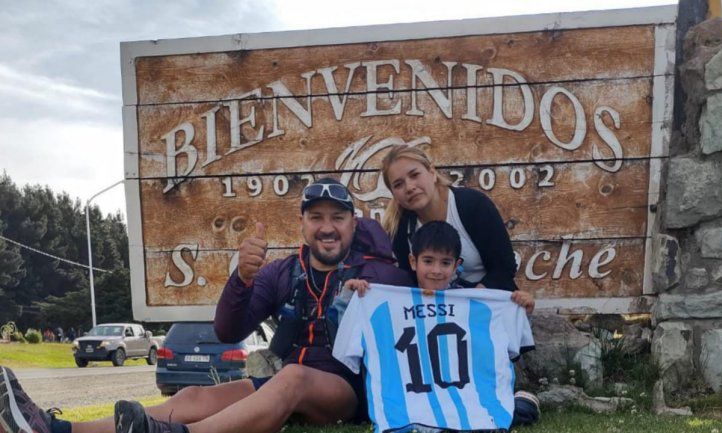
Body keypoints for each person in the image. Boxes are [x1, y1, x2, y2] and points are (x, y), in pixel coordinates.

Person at [0, 178, 412, 433]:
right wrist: (242, 279)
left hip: (348, 395)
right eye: (317, 216)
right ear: (302, 224)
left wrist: (370, 296)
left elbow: (428, 316)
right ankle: (58, 428)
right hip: (287, 387)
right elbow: (227, 332)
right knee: (197, 394)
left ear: (353, 224)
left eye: (338, 217)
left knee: (294, 377)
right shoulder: (283, 271)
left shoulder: (382, 274)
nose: (327, 227)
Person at [337, 220, 540, 430]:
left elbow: (507, 344)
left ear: (456, 264)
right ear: (413, 261)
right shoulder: (386, 300)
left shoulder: (477, 302)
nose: (436, 270)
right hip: (411, 400)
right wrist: (350, 298)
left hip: (465, 396)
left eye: (445, 263)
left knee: (501, 410)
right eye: (428, 261)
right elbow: (350, 331)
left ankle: (515, 403)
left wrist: (522, 312)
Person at [380, 144, 534, 313]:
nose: (409, 187)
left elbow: (504, 267)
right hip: (436, 313)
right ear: (393, 193)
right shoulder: (399, 228)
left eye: (415, 175)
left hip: (489, 308)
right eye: (398, 184)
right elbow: (408, 284)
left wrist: (470, 303)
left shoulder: (473, 205)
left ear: (432, 172)